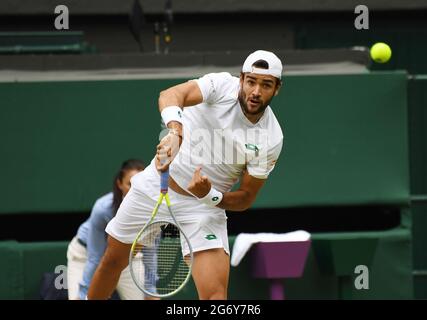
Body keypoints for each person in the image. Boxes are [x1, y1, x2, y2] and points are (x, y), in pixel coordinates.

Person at [88, 50, 284, 300]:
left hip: (203, 208)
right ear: (241, 79)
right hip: (155, 185)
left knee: (215, 296)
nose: (256, 91)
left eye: (266, 85)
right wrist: (175, 133)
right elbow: (171, 95)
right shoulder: (221, 85)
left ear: (277, 88)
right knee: (112, 261)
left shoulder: (271, 138)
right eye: (251, 81)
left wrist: (210, 196)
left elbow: (245, 198)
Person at [67, 159, 151, 300]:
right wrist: (84, 295)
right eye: (130, 184)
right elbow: (95, 257)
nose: (136, 189)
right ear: (119, 184)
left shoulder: (151, 210)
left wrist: (150, 291)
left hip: (127, 256)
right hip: (84, 255)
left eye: (141, 184)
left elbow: (150, 252)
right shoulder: (102, 208)